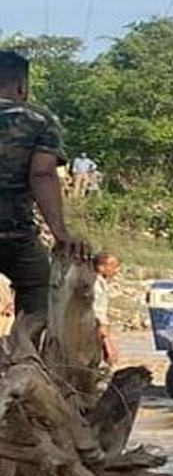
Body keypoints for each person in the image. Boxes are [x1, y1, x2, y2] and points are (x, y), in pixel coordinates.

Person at [0, 50, 90, 320]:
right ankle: (27, 354)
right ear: (22, 86)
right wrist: (60, 232)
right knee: (38, 286)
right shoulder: (39, 120)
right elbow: (42, 175)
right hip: (13, 234)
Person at [92, 253, 120, 367]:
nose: (117, 270)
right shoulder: (95, 285)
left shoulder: (101, 283)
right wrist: (107, 343)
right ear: (101, 267)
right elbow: (97, 313)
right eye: (113, 266)